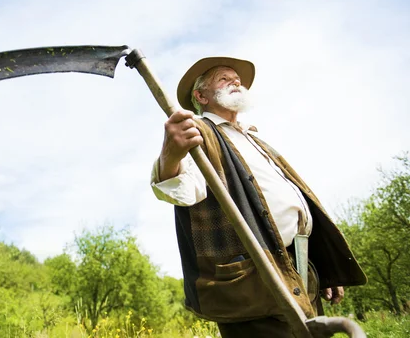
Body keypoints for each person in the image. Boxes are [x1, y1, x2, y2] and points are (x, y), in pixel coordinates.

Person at [151, 57, 366, 337]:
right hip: (253, 283)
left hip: (300, 270)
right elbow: (179, 190)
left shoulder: (255, 140)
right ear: (200, 96)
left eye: (236, 79)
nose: (236, 81)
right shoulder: (200, 132)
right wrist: (171, 155)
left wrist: (320, 266)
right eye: (224, 79)